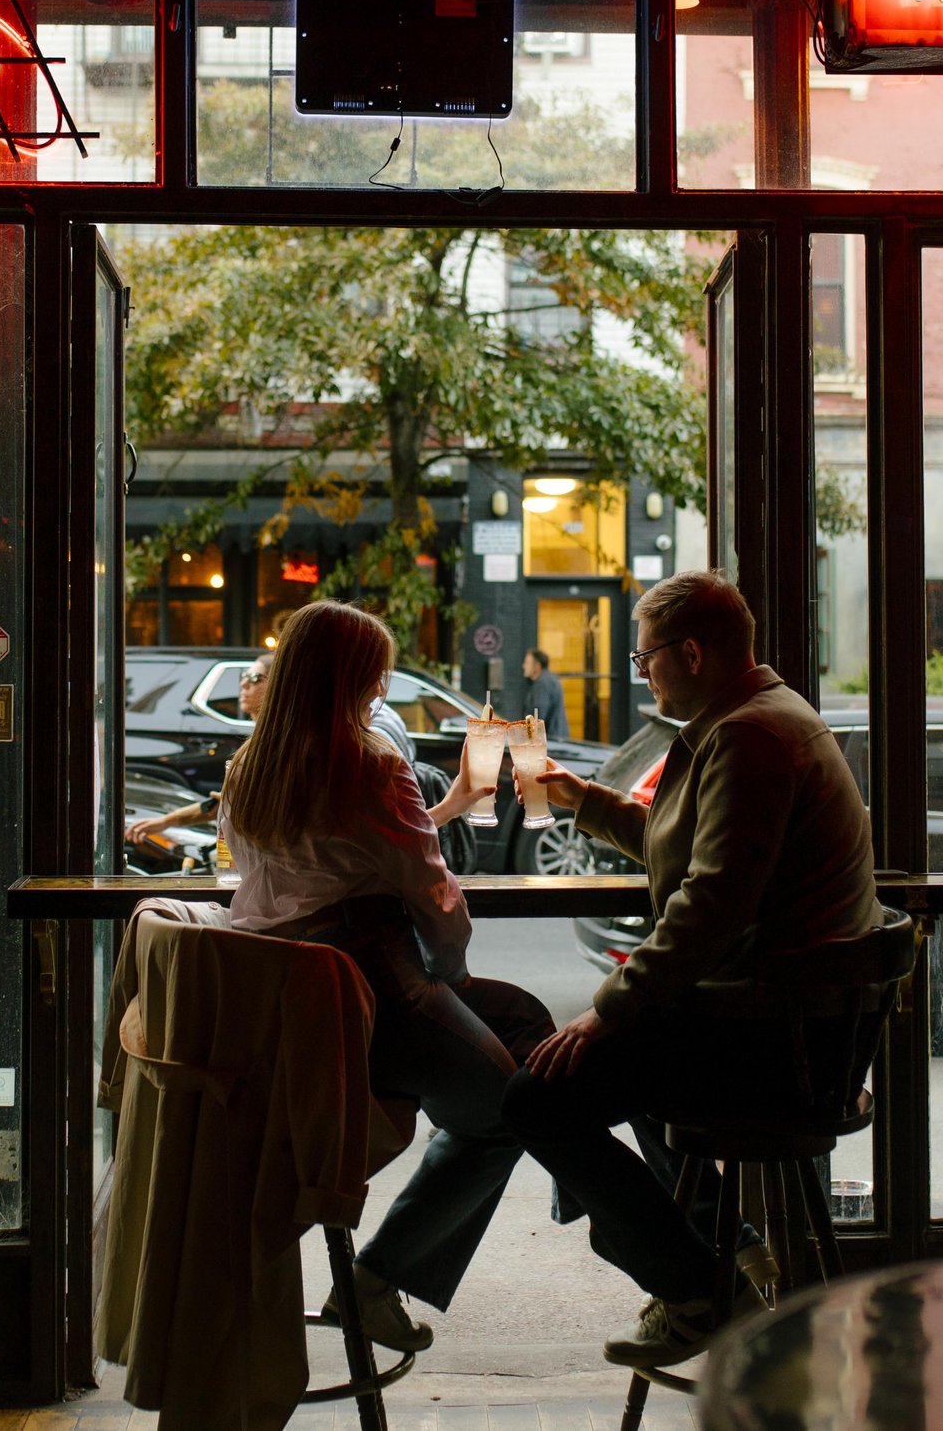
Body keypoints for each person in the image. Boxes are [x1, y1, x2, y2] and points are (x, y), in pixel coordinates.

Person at [499, 569, 879, 1369]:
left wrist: (606, 1008)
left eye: (646, 660)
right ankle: (730, 1246)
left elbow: (711, 901)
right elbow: (698, 853)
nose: (642, 673)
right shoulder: (757, 718)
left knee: (537, 1098)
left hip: (774, 1044)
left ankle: (697, 1287)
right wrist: (586, 801)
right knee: (616, 1067)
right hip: (780, 1022)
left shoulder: (747, 736)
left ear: (692, 652)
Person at [222, 600, 553, 1354]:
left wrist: (437, 811)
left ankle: (569, 1177)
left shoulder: (250, 767)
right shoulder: (372, 761)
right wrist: (452, 974)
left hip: (283, 1004)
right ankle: (376, 1278)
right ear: (349, 676)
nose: (380, 690)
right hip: (370, 997)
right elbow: (435, 896)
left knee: (531, 1023)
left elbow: (318, 862)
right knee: (513, 1102)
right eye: (373, 674)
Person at [123, 653, 272, 848]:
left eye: (254, 678)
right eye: (244, 676)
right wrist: (164, 822)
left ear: (277, 685)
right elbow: (223, 803)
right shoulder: (260, 740)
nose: (243, 684)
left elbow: (233, 804)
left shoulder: (274, 745)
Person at [523, 648, 568, 737]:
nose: (524, 666)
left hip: (550, 739)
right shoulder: (549, 679)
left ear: (537, 666)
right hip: (557, 736)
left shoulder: (542, 683)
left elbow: (538, 715)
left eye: (527, 663)